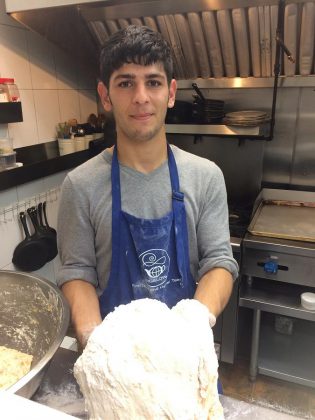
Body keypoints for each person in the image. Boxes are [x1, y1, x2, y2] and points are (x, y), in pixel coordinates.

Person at [57, 25, 238, 349]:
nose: (140, 97)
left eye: (152, 82)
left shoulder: (205, 176)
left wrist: (194, 322)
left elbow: (219, 263)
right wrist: (96, 342)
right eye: (125, 83)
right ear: (105, 96)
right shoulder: (80, 185)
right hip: (113, 361)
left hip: (185, 357)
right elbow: (77, 274)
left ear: (170, 93)